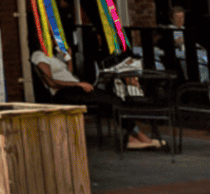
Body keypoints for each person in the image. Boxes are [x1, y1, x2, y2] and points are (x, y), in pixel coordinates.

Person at [31, 45, 162, 149]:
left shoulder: (53, 56)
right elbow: (51, 82)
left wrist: (69, 59)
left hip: (75, 88)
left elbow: (67, 74)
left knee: (112, 100)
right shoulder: (38, 55)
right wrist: (78, 84)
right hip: (64, 93)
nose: (55, 41)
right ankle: (137, 136)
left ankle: (132, 137)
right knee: (111, 101)